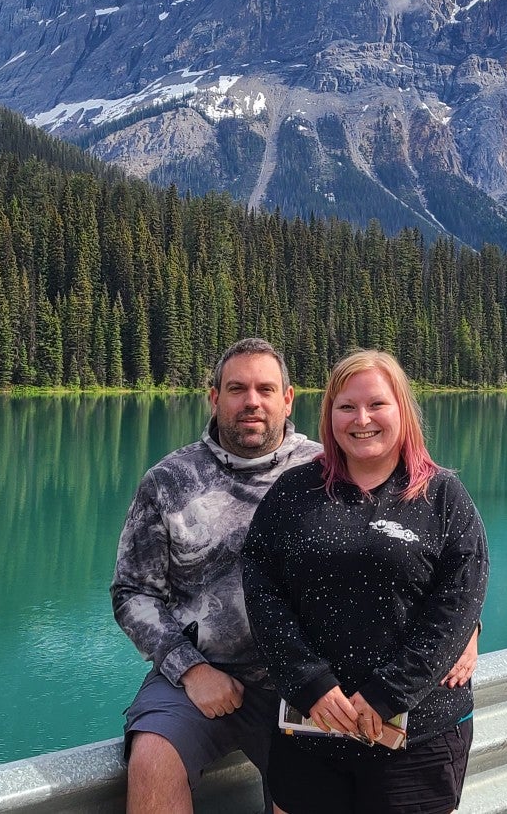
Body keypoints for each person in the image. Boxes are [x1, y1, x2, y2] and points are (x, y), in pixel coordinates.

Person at [112, 339, 477, 813]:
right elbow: (132, 592)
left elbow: (434, 554)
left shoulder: (334, 461)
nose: (251, 402)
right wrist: (189, 668)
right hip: (206, 674)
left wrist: (467, 628)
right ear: (213, 397)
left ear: (288, 399)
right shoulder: (169, 480)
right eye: (237, 389)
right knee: (153, 758)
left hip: (316, 680)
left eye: (266, 389)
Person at [242, 350, 490, 814]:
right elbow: (261, 592)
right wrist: (309, 682)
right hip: (312, 733)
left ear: (403, 411)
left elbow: (458, 605)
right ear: (329, 415)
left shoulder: (443, 497)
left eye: (377, 404)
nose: (362, 419)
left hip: (419, 738)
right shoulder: (293, 494)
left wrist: (386, 696)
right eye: (346, 407)